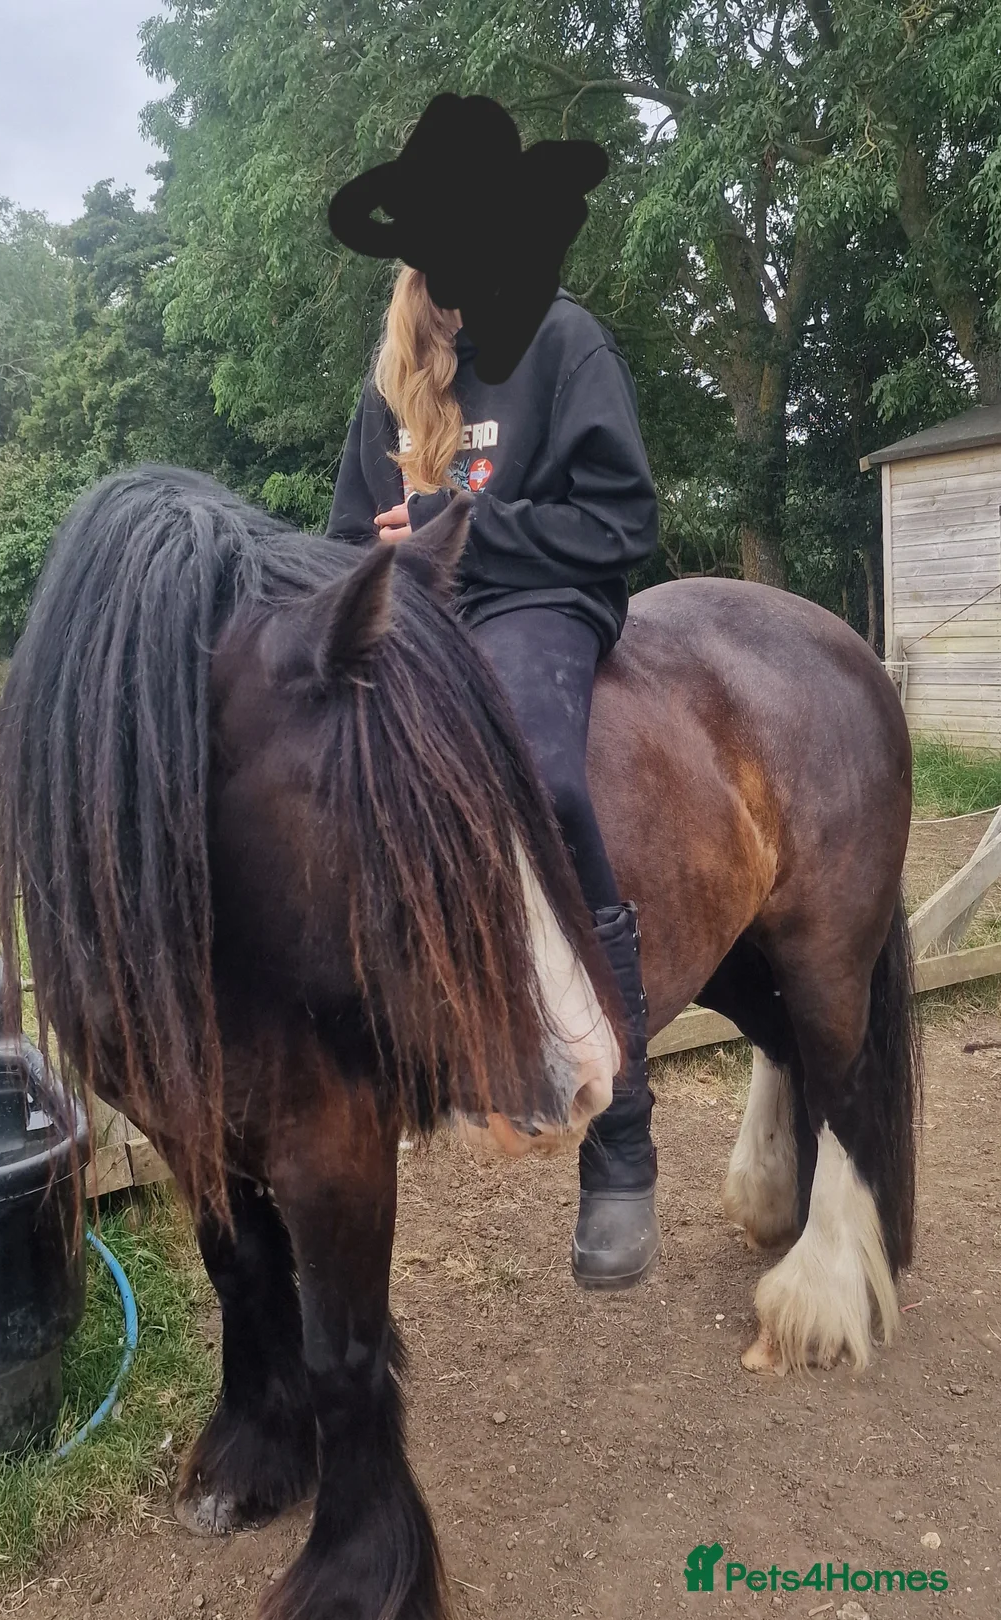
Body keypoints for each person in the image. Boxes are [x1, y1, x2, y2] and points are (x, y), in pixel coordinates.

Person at [325, 265, 660, 1289]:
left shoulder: (563, 340)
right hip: (420, 616)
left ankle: (625, 1130)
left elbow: (621, 525)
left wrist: (459, 528)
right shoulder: (388, 380)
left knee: (542, 778)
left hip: (541, 600)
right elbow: (348, 537)